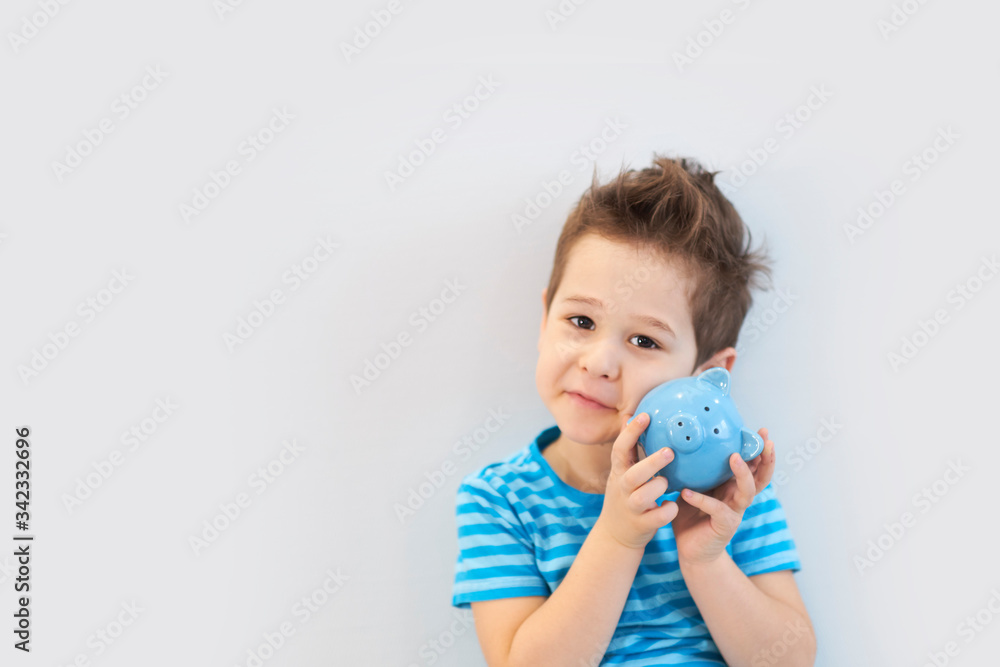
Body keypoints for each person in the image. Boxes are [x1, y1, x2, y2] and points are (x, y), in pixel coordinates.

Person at [451, 154, 816, 666]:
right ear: (544, 319)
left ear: (707, 375)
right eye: (580, 321)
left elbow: (789, 660)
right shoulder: (500, 500)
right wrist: (619, 537)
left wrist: (705, 557)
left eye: (644, 340)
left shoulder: (732, 496)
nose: (600, 362)